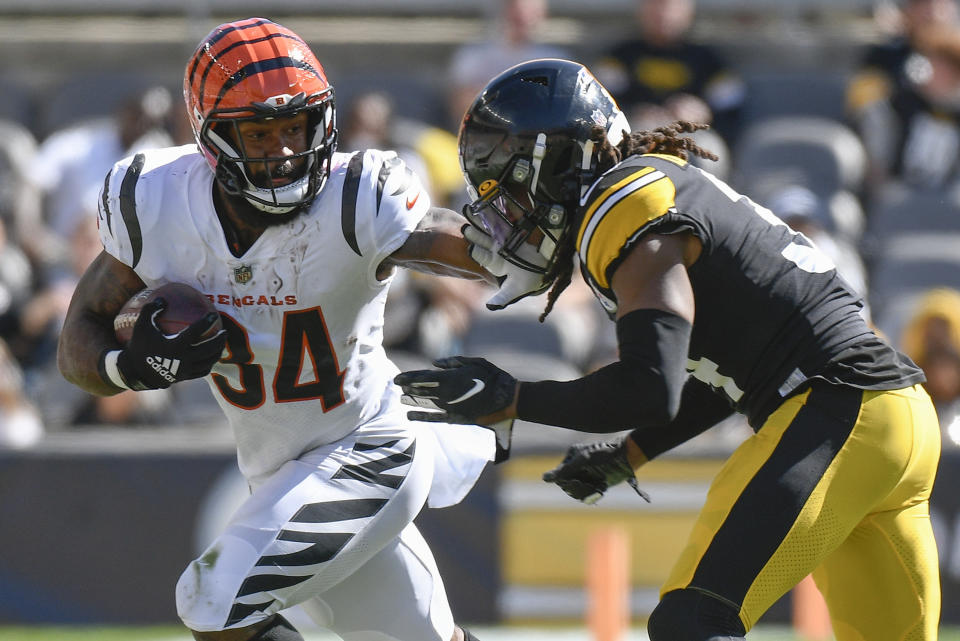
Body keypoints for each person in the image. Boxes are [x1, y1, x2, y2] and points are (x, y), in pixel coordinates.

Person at [395, 59, 941, 640]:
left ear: (563, 160)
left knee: (693, 621)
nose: (509, 207)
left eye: (513, 181)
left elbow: (648, 386)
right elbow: (716, 372)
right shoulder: (660, 188)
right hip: (896, 419)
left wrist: (513, 398)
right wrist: (631, 454)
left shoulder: (625, 209)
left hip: (837, 411)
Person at [57, 17, 497, 641]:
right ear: (214, 138)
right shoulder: (155, 204)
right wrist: (131, 367)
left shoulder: (354, 198)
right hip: (284, 468)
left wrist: (522, 237)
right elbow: (80, 337)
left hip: (371, 447)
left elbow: (453, 242)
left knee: (212, 602)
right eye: (262, 133)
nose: (286, 149)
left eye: (295, 127)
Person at [592, 0, 745, 147]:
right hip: (635, 139)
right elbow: (599, 106)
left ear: (688, 11)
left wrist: (703, 114)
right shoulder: (619, 57)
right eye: (656, 4)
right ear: (642, 9)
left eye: (672, 5)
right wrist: (633, 112)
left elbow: (731, 112)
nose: (663, 14)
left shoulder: (710, 62)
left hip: (692, 144)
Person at [847, 0, 960, 194]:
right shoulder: (884, 55)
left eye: (940, 5)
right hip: (897, 161)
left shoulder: (954, 52)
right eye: (924, 5)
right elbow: (864, 105)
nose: (933, 13)